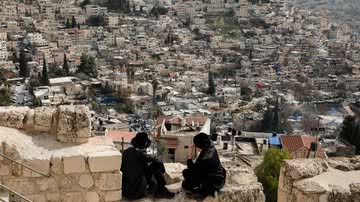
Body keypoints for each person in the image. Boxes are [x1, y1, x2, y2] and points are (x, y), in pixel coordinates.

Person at [121, 132, 175, 200]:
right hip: (136, 192)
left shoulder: (126, 152)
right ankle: (161, 190)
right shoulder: (140, 154)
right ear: (145, 143)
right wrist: (163, 171)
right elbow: (157, 162)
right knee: (156, 165)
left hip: (125, 190)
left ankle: (156, 188)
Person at [182, 133, 226, 199]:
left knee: (186, 184)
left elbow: (192, 168)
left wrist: (190, 153)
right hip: (219, 174)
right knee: (186, 172)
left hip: (214, 182)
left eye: (196, 145)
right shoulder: (210, 145)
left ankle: (204, 193)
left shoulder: (204, 158)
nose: (195, 146)